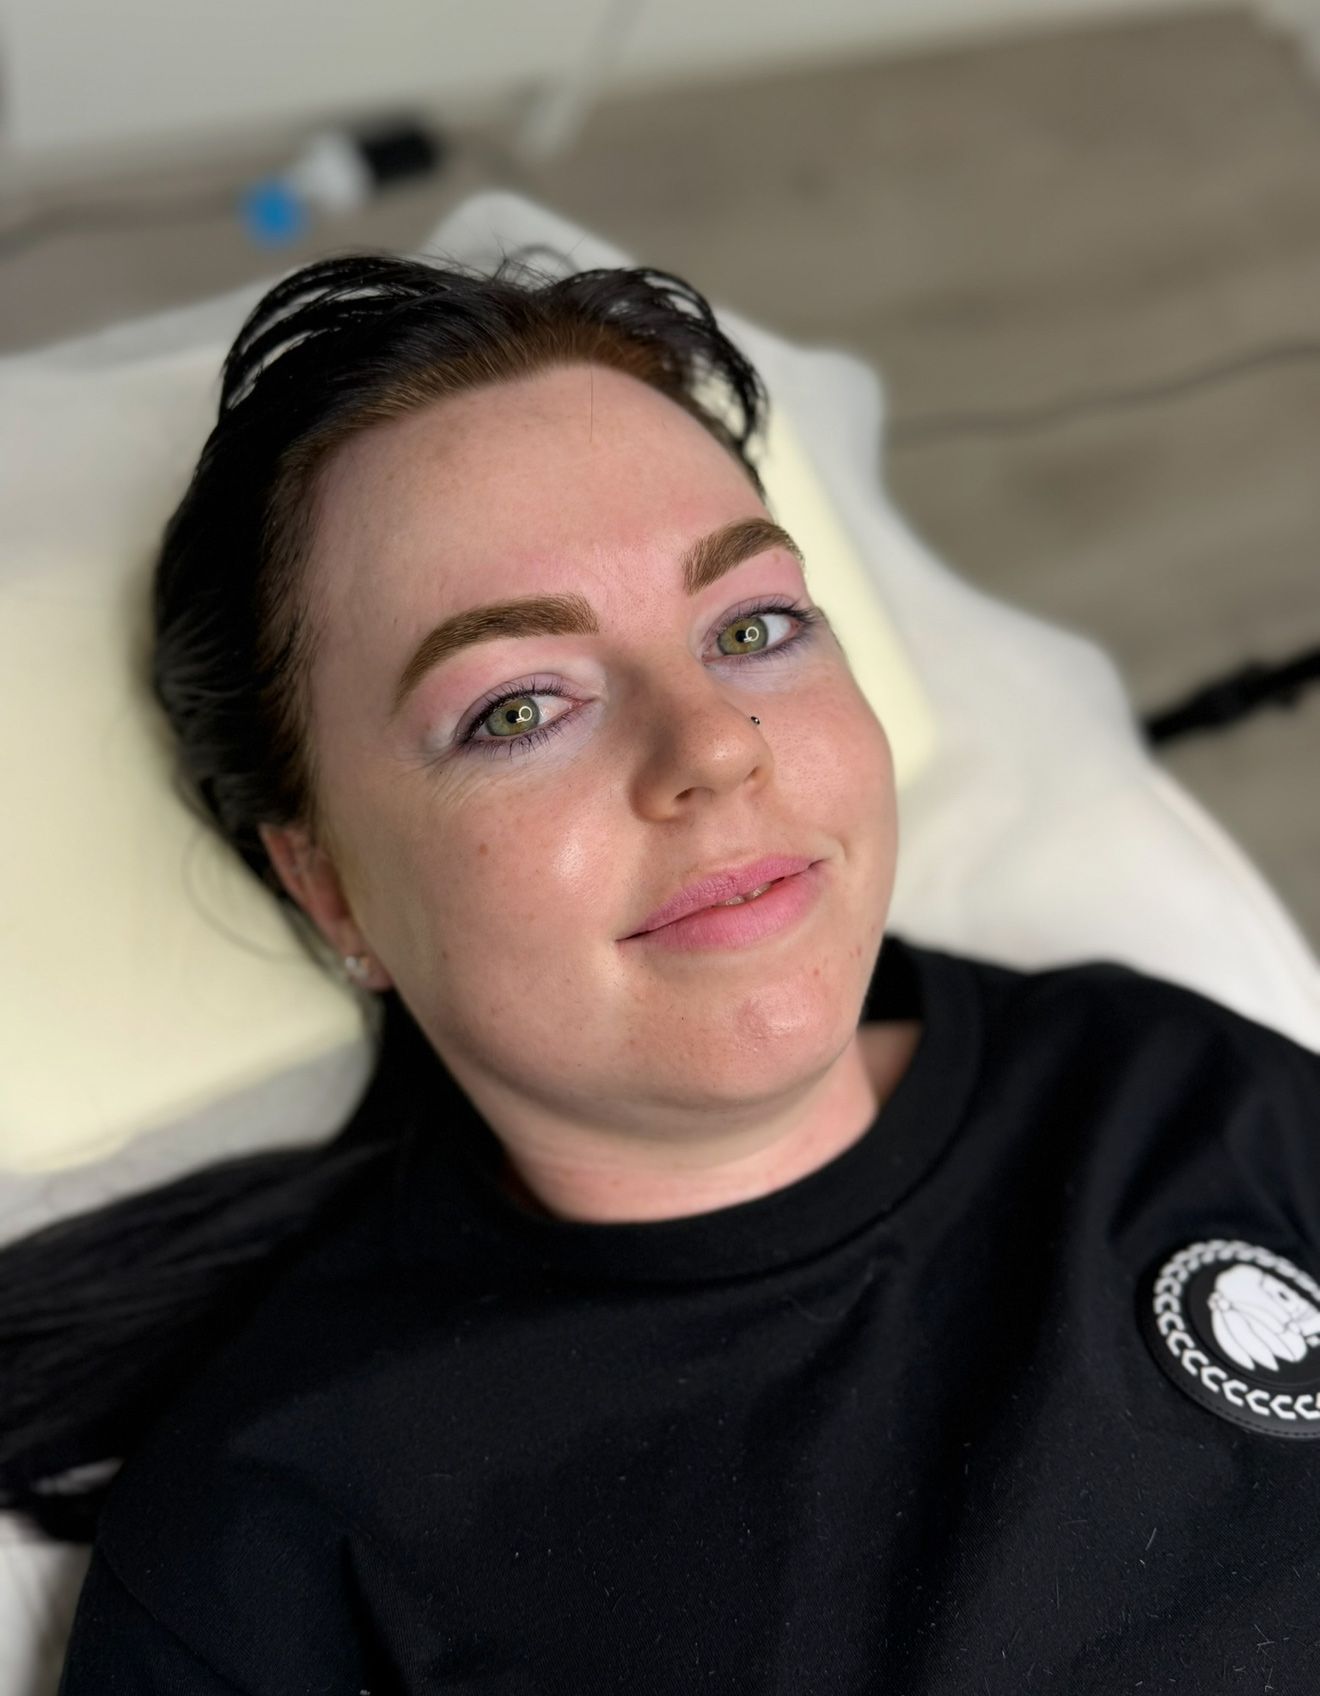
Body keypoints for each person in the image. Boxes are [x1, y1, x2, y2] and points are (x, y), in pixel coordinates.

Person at [4, 247, 1317, 1693]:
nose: (712, 744)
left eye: (752, 629)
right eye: (518, 708)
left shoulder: (1179, 1094)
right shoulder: (274, 1545)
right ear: (329, 885)